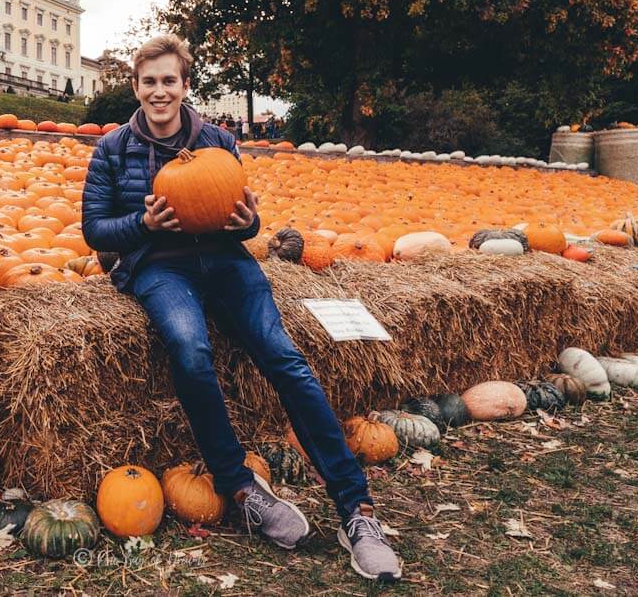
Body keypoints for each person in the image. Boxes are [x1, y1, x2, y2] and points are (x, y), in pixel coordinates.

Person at [81, 34, 402, 582]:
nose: (160, 92)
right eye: (150, 82)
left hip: (225, 261)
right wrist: (144, 224)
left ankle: (357, 509)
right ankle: (241, 487)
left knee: (283, 357)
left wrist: (247, 224)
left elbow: (240, 215)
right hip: (159, 267)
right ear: (136, 87)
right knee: (190, 349)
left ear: (185, 85)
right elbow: (94, 229)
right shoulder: (112, 150)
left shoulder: (217, 141)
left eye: (170, 81)